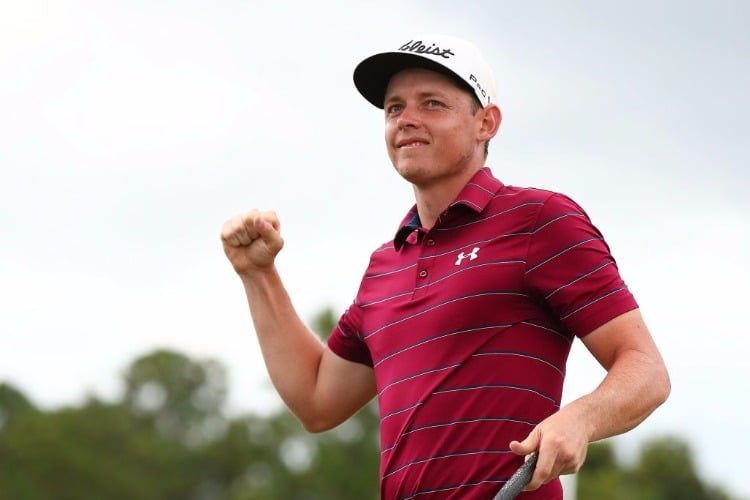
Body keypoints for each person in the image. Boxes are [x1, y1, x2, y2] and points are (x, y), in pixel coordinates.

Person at [220, 34, 670, 499]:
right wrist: (258, 274)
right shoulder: (385, 265)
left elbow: (646, 370)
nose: (406, 119)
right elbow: (316, 401)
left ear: (485, 123)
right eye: (394, 108)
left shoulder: (540, 220)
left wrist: (581, 418)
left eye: (431, 104)